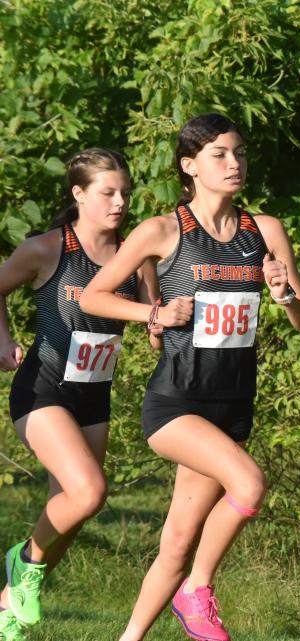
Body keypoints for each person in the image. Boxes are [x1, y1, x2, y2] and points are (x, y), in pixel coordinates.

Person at [79, 113, 300, 641]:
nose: (235, 164)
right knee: (250, 484)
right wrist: (154, 315)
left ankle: (130, 635)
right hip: (175, 404)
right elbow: (93, 295)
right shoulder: (163, 230)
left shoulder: (266, 231)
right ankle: (197, 591)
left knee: (178, 543)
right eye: (219, 155)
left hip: (233, 405)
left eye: (240, 154)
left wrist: (283, 296)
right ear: (189, 166)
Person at [0, 149, 158, 641]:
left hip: (95, 397)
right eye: (108, 193)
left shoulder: (137, 256)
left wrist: (168, 322)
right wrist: (3, 339)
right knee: (89, 492)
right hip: (42, 390)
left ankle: (7, 606)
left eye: (126, 193)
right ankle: (20, 563)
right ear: (79, 194)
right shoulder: (48, 250)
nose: (120, 202)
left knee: (69, 519)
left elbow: (156, 324)